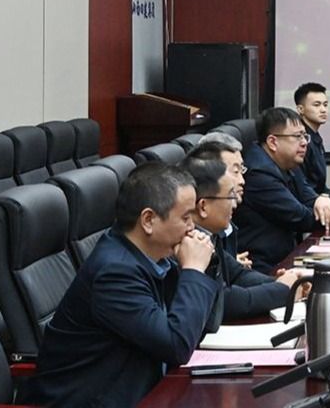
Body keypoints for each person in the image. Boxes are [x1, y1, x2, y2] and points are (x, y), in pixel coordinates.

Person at [23, 163, 218, 407]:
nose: (192, 228)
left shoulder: (154, 257)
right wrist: (194, 270)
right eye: (185, 217)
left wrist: (205, 266)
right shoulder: (115, 273)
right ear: (148, 220)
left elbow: (208, 325)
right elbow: (176, 345)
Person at [182, 143, 307, 324]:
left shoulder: (210, 233)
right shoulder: (188, 241)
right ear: (203, 206)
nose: (235, 202)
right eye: (230, 195)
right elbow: (224, 301)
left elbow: (238, 274)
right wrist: (282, 289)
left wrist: (283, 282)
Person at [235, 107, 330, 273]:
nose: (304, 142)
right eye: (297, 136)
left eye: (304, 136)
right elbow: (302, 218)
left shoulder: (288, 162)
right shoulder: (259, 174)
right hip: (264, 268)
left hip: (286, 258)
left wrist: (323, 198)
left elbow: (309, 197)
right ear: (273, 142)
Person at [197, 130, 251, 266]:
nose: (242, 181)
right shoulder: (197, 237)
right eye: (235, 171)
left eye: (242, 170)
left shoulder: (224, 218)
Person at [294, 82, 330, 205]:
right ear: (300, 109)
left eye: (325, 105)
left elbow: (319, 184)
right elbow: (301, 186)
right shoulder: (300, 139)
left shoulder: (315, 136)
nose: (323, 110)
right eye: (316, 105)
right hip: (307, 205)